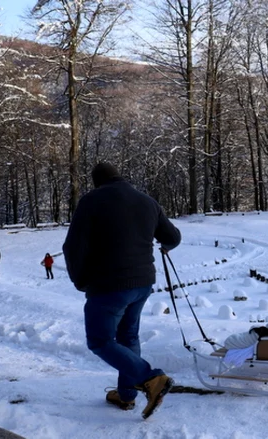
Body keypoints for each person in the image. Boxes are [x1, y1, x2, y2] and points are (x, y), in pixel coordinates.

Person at [63, 162, 181, 419]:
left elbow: (73, 247)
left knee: (100, 340)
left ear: (96, 182)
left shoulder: (91, 201)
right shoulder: (147, 201)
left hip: (108, 285)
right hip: (142, 284)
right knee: (128, 338)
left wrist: (80, 281)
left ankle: (151, 378)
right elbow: (172, 237)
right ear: (120, 176)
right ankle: (127, 395)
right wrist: (163, 244)